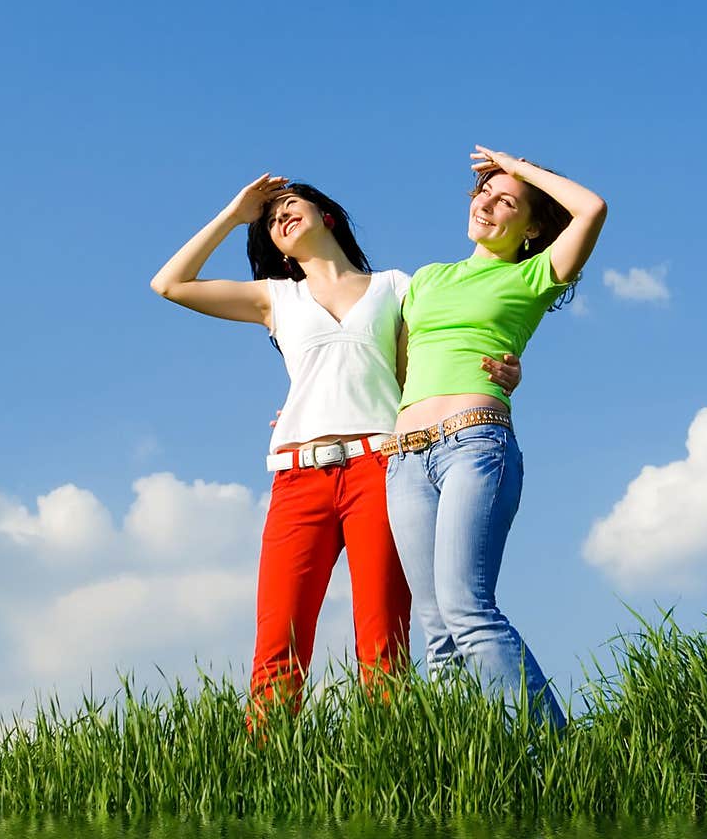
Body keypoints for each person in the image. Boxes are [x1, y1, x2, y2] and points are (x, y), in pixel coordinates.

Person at [150, 173, 521, 715]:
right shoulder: (275, 298)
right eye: (270, 218)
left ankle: (386, 764)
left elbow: (443, 346)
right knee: (279, 641)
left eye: (289, 205)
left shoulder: (397, 286)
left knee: (383, 642)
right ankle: (264, 772)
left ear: (328, 215)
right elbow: (170, 284)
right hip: (298, 477)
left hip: (382, 468)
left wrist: (504, 373)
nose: (278, 217)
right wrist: (235, 215)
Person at [383, 145, 607, 729]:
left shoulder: (534, 276)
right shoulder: (427, 280)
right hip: (405, 460)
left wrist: (517, 165)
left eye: (505, 200)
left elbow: (592, 209)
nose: (485, 202)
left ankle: (563, 759)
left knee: (468, 610)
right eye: (483, 191)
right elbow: (396, 368)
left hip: (474, 447)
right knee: (435, 635)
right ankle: (472, 775)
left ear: (531, 228)